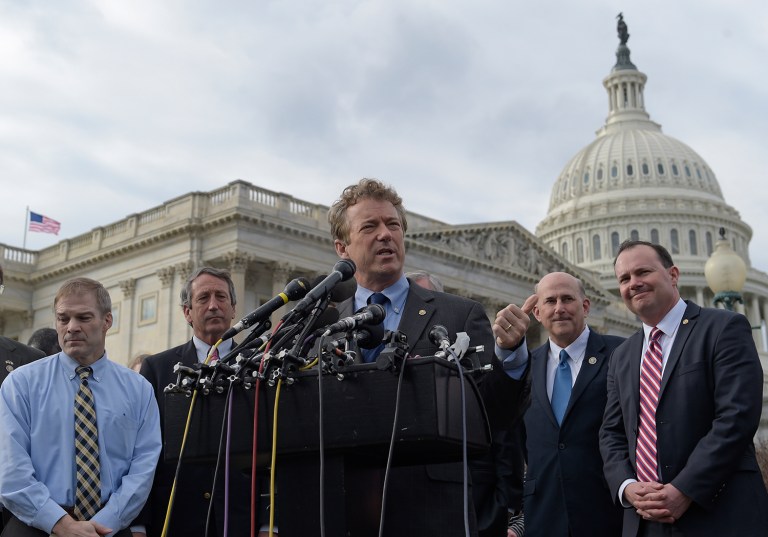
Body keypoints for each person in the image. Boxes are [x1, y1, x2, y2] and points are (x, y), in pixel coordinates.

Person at [329, 178, 529, 537]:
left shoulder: (458, 315)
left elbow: (493, 416)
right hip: (346, 507)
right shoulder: (326, 327)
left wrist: (510, 356)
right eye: (370, 226)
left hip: (434, 510)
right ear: (342, 248)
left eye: (393, 225)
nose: (385, 234)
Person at [600, 240, 768, 536]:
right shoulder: (622, 356)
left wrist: (684, 489)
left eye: (643, 272)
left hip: (718, 514)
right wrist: (628, 486)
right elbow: (612, 432)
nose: (634, 284)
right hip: (645, 521)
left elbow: (736, 417)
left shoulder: (723, 328)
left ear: (673, 275)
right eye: (624, 279)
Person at [0, 277, 161, 537]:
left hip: (109, 528)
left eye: (84, 318)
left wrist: (102, 525)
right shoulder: (20, 384)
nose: (72, 327)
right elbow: (10, 469)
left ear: (107, 320)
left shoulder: (139, 390)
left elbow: (143, 468)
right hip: (34, 527)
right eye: (63, 319)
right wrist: (62, 524)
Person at [495, 272, 624, 536]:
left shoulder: (622, 353)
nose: (559, 308)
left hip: (611, 513)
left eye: (567, 299)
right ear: (538, 313)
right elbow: (510, 435)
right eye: (550, 301)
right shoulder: (524, 366)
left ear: (585, 306)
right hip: (544, 515)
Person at [137, 267, 257, 537]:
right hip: (176, 519)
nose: (214, 305)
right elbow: (143, 452)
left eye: (221, 297)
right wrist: (138, 524)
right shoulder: (157, 369)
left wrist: (269, 524)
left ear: (234, 308)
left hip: (242, 520)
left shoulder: (258, 364)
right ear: (187, 312)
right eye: (203, 298)